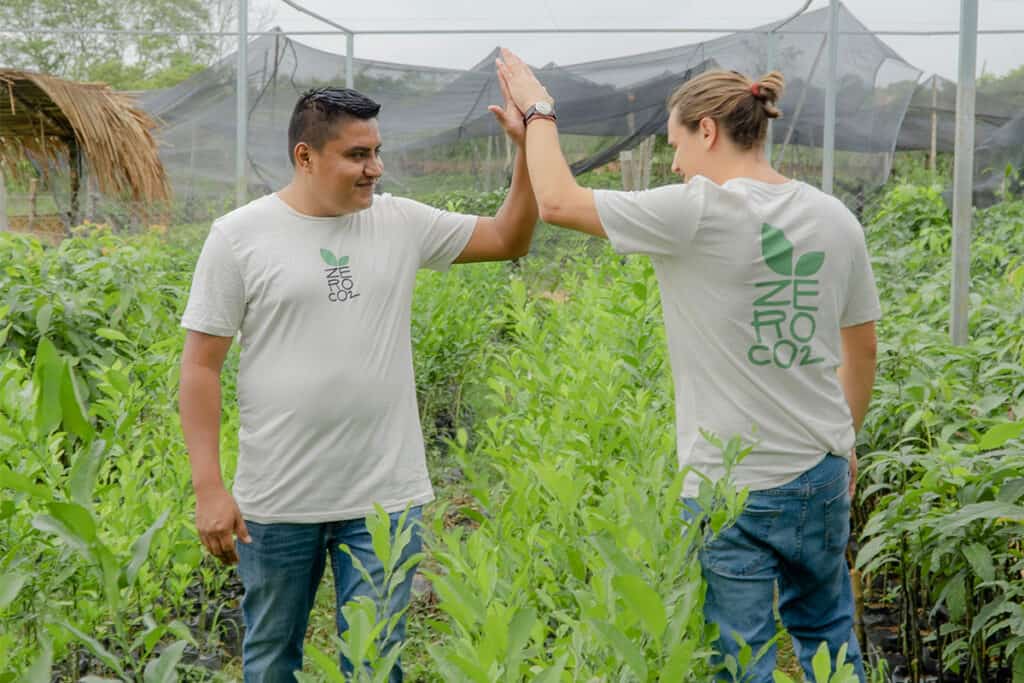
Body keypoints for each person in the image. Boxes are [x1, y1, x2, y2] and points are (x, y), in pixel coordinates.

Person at [497, 48, 878, 682]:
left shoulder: (697, 210)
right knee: (828, 635)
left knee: (741, 655)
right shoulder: (835, 218)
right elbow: (860, 347)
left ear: (707, 130)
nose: (674, 164)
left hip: (729, 491)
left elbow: (558, 203)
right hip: (820, 472)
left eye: (676, 143)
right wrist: (844, 441)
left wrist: (539, 112)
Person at [178, 82, 537, 682]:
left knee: (376, 663)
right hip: (277, 498)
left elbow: (509, 238)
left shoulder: (399, 222)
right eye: (357, 155)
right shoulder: (239, 237)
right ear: (305, 157)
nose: (375, 169)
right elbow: (199, 366)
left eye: (376, 152)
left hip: (383, 498)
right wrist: (209, 487)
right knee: (270, 657)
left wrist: (527, 152)